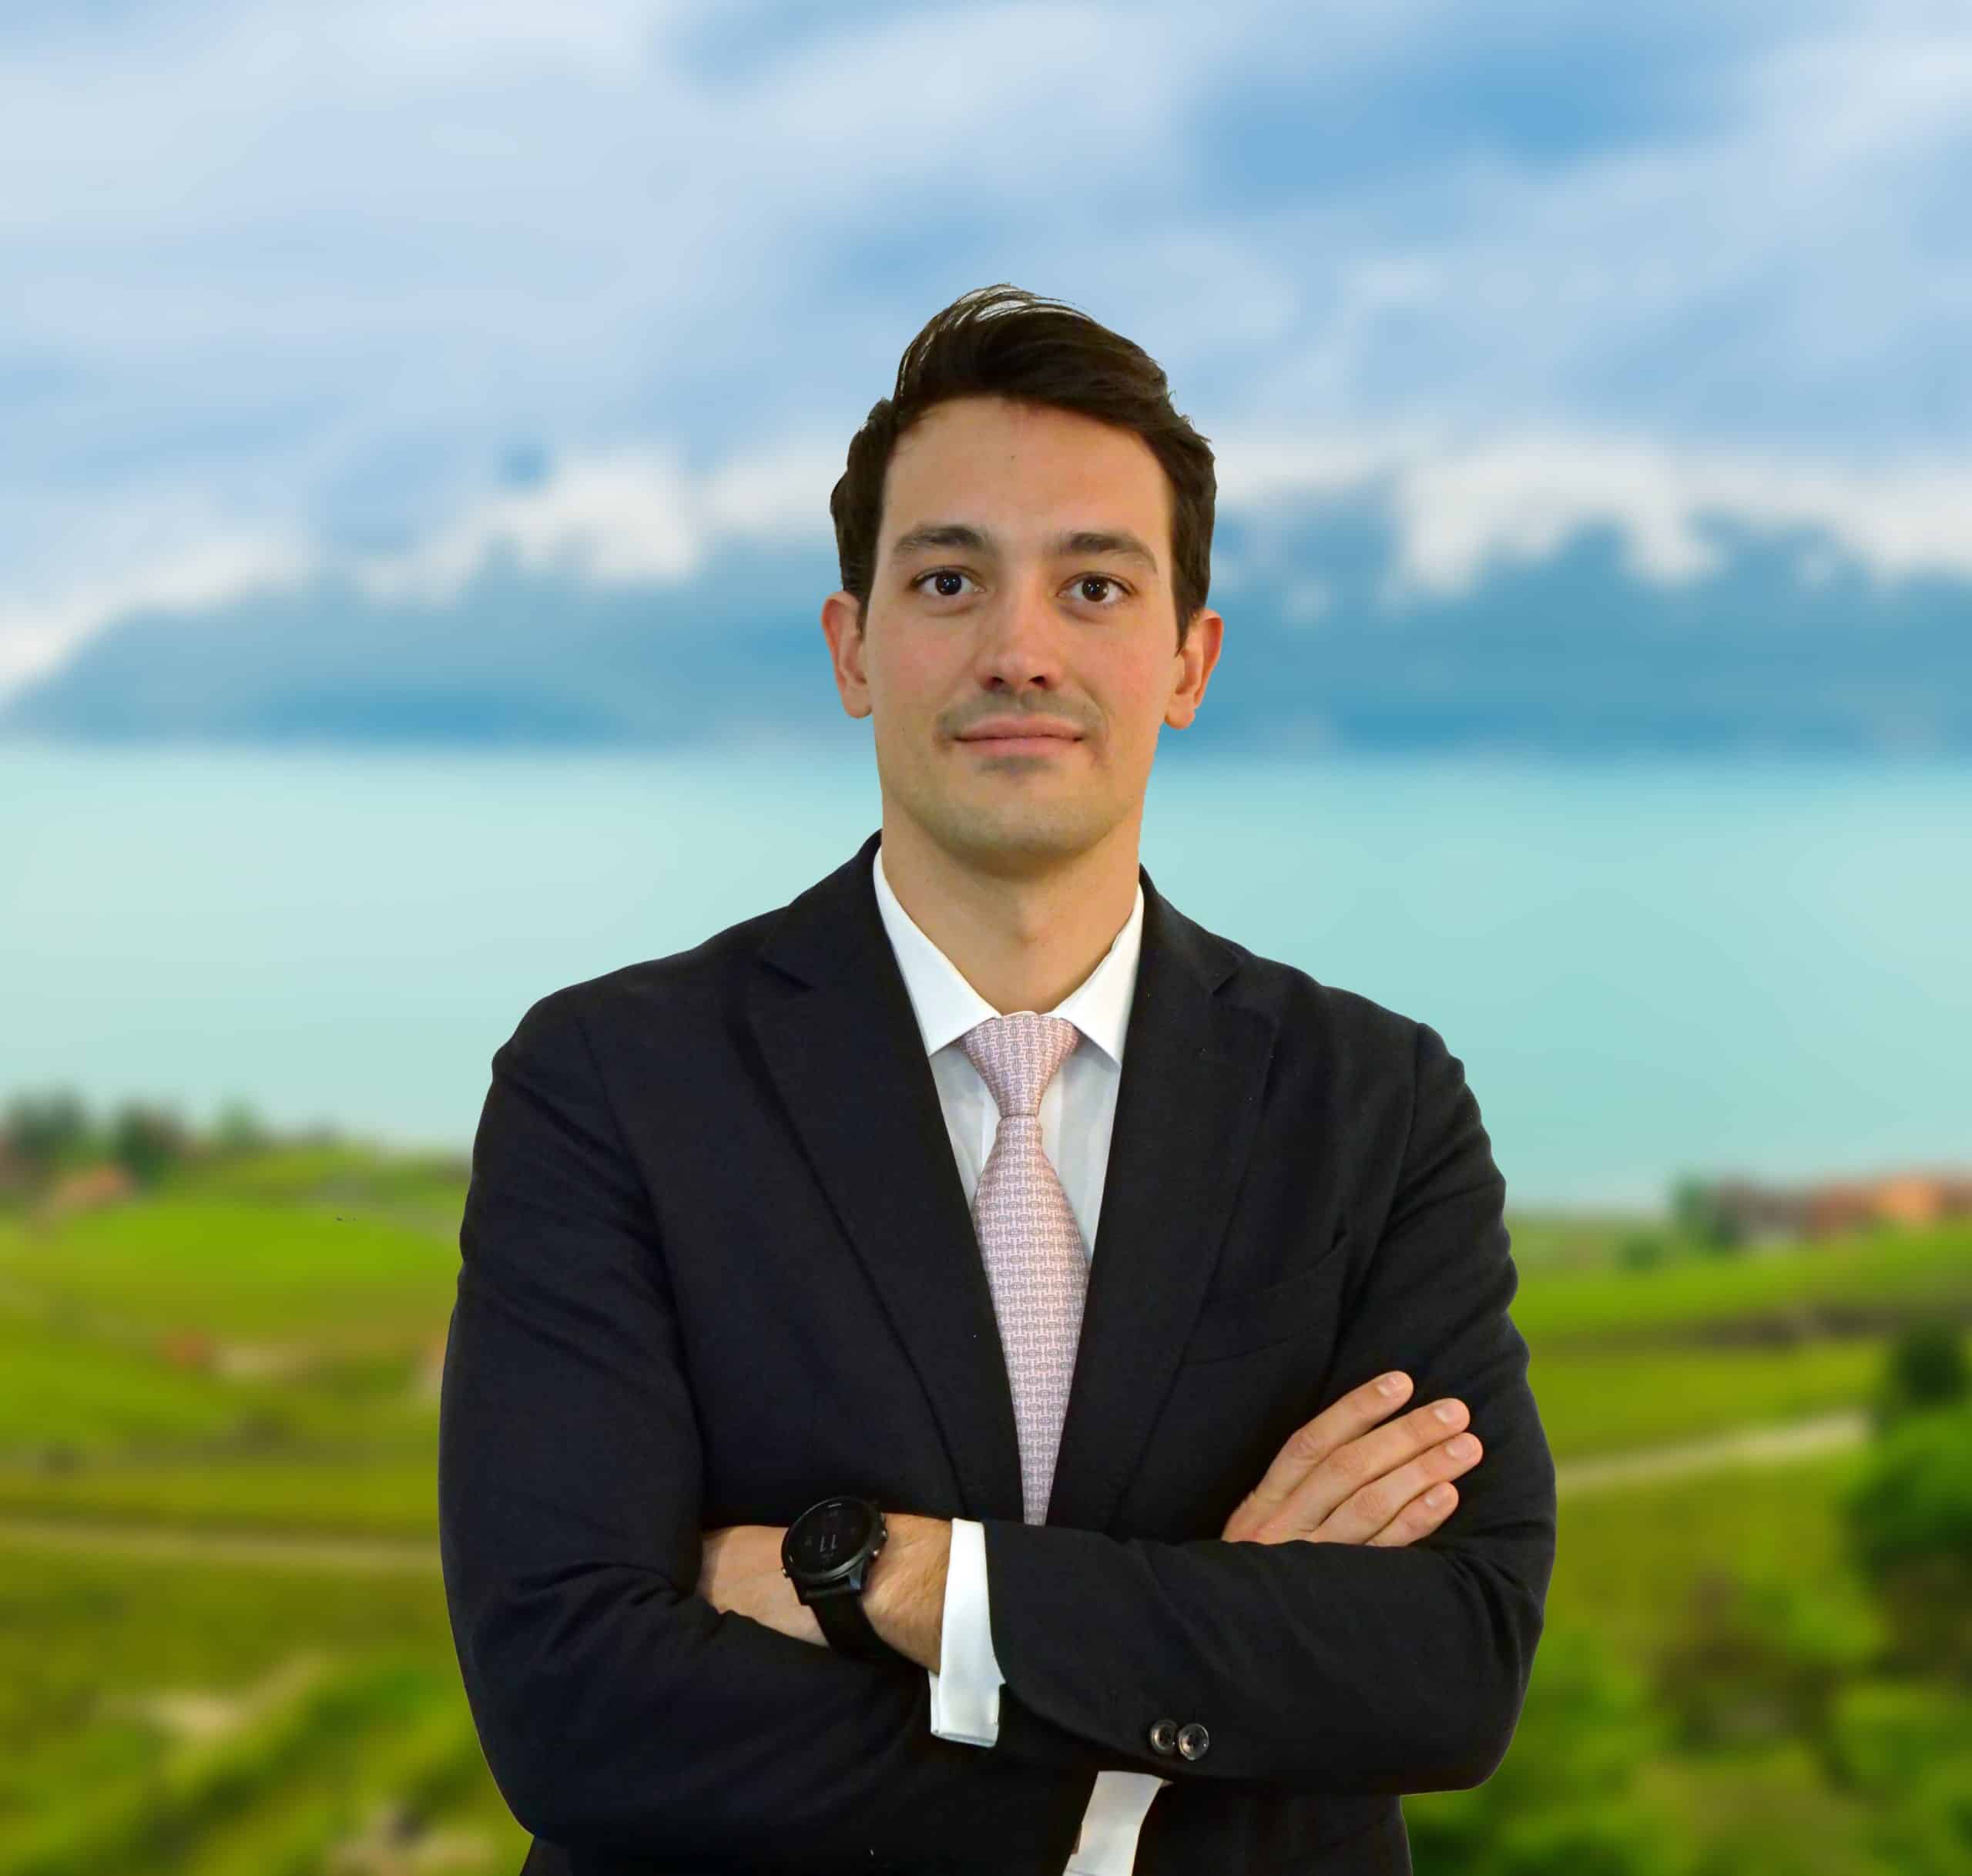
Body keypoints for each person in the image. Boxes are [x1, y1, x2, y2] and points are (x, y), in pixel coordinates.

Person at [438, 283, 1557, 1876]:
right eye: (949, 578)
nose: (1019, 649)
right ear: (853, 647)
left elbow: (1445, 1669)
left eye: (1093, 585)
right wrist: (1184, 1730)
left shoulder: (1370, 1108)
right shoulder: (610, 1084)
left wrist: (902, 1583)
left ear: (1186, 658)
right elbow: (572, 1707)